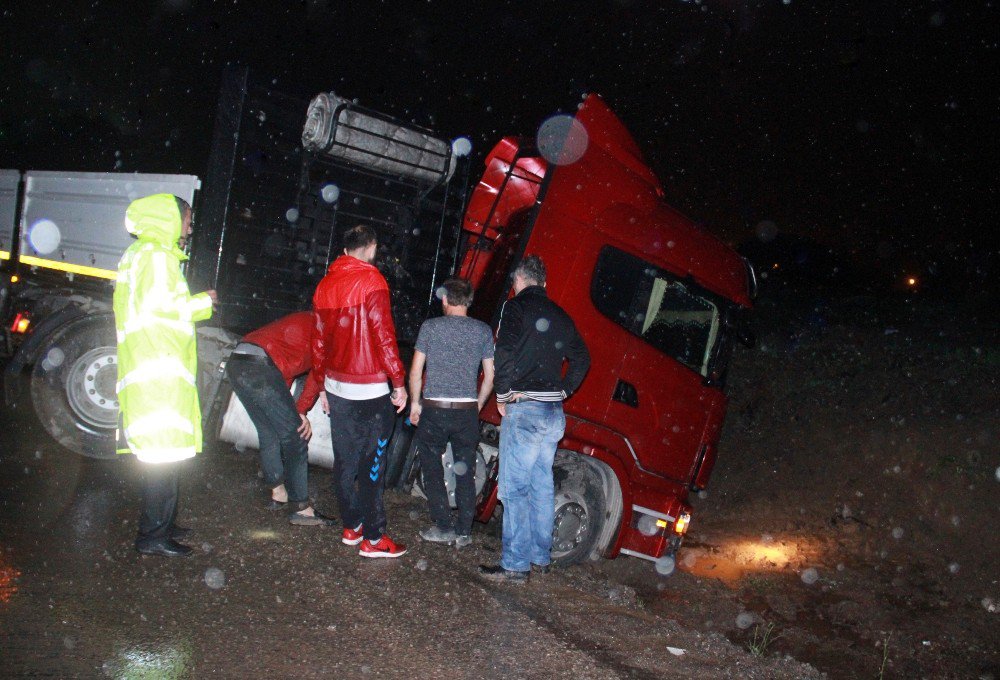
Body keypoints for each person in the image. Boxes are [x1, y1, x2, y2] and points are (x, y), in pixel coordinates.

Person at [113, 194, 217, 558]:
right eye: (187, 220)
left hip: (152, 367)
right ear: (170, 219)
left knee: (166, 457)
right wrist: (203, 301)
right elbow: (163, 309)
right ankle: (153, 536)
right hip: (157, 372)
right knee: (162, 459)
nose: (189, 228)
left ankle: (163, 522)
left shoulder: (145, 255)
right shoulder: (156, 257)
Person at [479, 255, 590, 583]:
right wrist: (565, 391)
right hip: (553, 414)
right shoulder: (562, 317)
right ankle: (540, 557)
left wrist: (501, 395)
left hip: (525, 408)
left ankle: (514, 564)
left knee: (514, 487)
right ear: (544, 282)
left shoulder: (515, 308)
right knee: (541, 484)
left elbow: (505, 353)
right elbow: (582, 359)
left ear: (517, 281)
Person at [308, 224, 408, 558]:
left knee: (344, 463)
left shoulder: (325, 285)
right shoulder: (371, 279)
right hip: (371, 390)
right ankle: (375, 539)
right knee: (372, 466)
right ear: (371, 247)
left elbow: (319, 341)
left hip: (337, 388)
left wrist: (322, 384)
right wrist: (399, 381)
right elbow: (383, 334)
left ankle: (352, 526)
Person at [409, 278, 495, 548]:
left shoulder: (430, 328)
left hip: (435, 408)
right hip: (466, 411)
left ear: (445, 299)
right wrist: (478, 403)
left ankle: (444, 525)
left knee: (432, 466)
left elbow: (415, 372)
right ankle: (464, 532)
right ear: (468, 301)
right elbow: (491, 375)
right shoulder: (482, 331)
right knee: (465, 469)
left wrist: (415, 403)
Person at [226, 311, 328, 525]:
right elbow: (318, 374)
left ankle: (278, 492)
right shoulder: (329, 332)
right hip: (260, 365)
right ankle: (301, 508)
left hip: (238, 362)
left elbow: (282, 376)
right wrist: (301, 412)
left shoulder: (311, 320)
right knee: (297, 437)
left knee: (269, 431)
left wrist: (292, 409)